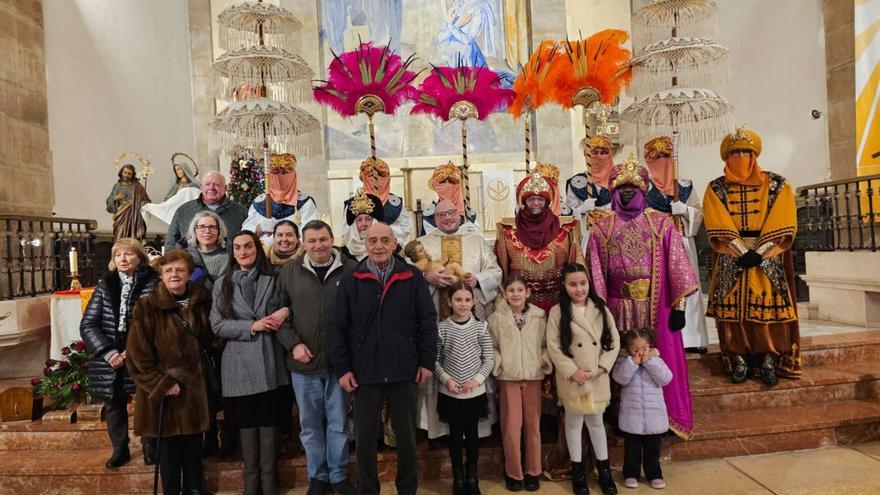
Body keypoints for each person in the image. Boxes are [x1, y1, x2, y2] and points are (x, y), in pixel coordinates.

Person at [588, 158, 698, 438]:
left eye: (633, 187)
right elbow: (595, 271)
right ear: (613, 191)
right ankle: (620, 415)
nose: (627, 191)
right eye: (621, 187)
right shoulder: (602, 228)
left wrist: (679, 307)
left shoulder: (661, 223)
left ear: (643, 190)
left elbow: (678, 264)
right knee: (621, 360)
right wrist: (599, 309)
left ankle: (663, 416)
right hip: (616, 308)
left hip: (655, 305)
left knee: (655, 360)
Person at [330, 222, 438, 495]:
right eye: (373, 241)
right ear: (365, 245)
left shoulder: (411, 276)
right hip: (364, 372)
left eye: (384, 241)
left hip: (404, 369)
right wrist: (343, 368)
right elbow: (338, 327)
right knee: (365, 440)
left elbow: (427, 321)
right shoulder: (352, 279)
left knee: (407, 438)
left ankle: (407, 490)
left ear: (394, 244)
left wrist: (426, 361)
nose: (378, 246)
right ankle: (368, 490)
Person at [703, 126, 801, 385]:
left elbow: (783, 219)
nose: (741, 157)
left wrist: (759, 253)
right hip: (730, 255)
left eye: (746, 152)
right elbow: (717, 220)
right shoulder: (716, 188)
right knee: (730, 311)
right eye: (735, 153)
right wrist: (740, 250)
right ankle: (737, 358)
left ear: (755, 155)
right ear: (726, 157)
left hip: (767, 257)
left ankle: (768, 357)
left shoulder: (778, 184)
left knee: (769, 310)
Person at [268, 220, 358, 495]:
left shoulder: (351, 270)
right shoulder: (290, 272)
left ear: (332, 240)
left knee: (338, 424)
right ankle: (317, 477)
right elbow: (276, 313)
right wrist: (294, 344)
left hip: (339, 365)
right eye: (312, 240)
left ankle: (338, 477)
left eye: (323, 239)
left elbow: (361, 316)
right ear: (302, 243)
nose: (318, 245)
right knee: (309, 426)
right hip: (303, 364)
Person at [412, 197, 502, 442]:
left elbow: (496, 272)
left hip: (472, 325)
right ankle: (439, 429)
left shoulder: (477, 241)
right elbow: (409, 278)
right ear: (434, 218)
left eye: (451, 212)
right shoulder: (422, 244)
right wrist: (428, 279)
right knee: (438, 362)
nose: (448, 218)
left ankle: (477, 429)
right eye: (442, 214)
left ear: (459, 215)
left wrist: (478, 280)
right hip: (435, 319)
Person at [126, 249, 213, 495]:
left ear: (189, 273)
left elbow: (211, 337)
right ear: (161, 275)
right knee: (169, 449)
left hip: (195, 387)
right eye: (168, 270)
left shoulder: (201, 301)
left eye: (180, 270)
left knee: (194, 443)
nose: (174, 274)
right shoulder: (147, 307)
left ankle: (195, 488)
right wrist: (162, 383)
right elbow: (136, 356)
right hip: (167, 390)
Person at [210, 231, 290, 495]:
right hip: (238, 362)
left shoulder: (274, 277)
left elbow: (289, 305)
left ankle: (269, 483)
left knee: (269, 419)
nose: (243, 251)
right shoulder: (223, 283)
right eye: (237, 247)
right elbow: (216, 324)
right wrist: (251, 326)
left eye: (248, 246)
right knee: (246, 421)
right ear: (232, 252)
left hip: (270, 359)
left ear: (257, 249)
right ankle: (251, 483)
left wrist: (284, 311)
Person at [80, 238, 158, 469]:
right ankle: (120, 449)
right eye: (118, 255)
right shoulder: (106, 284)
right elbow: (88, 324)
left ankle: (150, 446)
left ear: (140, 258)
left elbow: (157, 323)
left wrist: (132, 351)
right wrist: (108, 352)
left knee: (147, 399)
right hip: (111, 351)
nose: (123, 259)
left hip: (142, 350)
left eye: (128, 254)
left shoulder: (153, 282)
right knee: (114, 402)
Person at [546, 263, 619, 495]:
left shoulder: (600, 308)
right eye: (573, 284)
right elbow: (553, 346)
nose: (579, 289)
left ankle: (604, 471)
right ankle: (577, 473)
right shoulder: (558, 311)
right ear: (564, 285)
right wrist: (572, 371)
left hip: (596, 377)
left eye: (583, 283)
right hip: (573, 378)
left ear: (589, 283)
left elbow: (614, 340)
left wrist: (602, 367)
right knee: (574, 423)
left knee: (596, 422)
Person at [643, 136, 709, 351]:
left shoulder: (685, 185)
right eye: (657, 157)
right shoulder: (643, 186)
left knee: (688, 286)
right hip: (655, 244)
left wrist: (685, 210)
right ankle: (663, 337)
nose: (662, 161)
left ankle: (692, 338)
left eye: (666, 156)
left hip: (682, 241)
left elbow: (698, 213)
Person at [487, 274, 550, 492]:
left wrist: (543, 360)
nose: (515, 294)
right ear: (505, 293)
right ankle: (514, 472)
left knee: (533, 426)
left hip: (533, 377)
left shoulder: (539, 316)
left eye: (519, 290)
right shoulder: (496, 318)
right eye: (511, 290)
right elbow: (492, 346)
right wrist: (500, 363)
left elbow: (546, 344)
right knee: (511, 427)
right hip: (509, 379)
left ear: (527, 292)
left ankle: (533, 470)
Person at [435, 282, 495, 495]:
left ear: (474, 301)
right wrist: (446, 380)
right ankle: (458, 478)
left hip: (474, 393)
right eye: (458, 300)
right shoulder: (442, 328)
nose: (463, 304)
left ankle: (472, 477)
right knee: (454, 436)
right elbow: (435, 360)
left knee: (472, 436)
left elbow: (489, 358)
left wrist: (477, 380)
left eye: (467, 300)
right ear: (449, 302)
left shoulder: (481, 327)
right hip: (450, 393)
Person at [495, 170, 583, 311]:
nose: (536, 203)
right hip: (520, 307)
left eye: (540, 199)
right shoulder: (508, 233)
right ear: (523, 202)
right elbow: (501, 273)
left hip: (559, 306)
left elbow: (577, 268)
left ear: (547, 202)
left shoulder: (566, 230)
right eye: (531, 199)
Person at [612, 328, 672, 490]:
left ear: (650, 346)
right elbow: (620, 378)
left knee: (653, 449)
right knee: (632, 448)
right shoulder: (624, 361)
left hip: (654, 415)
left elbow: (666, 378)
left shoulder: (656, 360)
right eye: (636, 349)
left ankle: (654, 474)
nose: (640, 353)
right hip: (632, 415)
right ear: (628, 349)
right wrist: (632, 363)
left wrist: (649, 362)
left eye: (644, 348)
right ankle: (631, 474)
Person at [241, 153, 319, 241]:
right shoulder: (259, 203)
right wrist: (259, 228)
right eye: (275, 172)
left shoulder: (305, 203)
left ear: (293, 175)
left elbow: (312, 234)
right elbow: (245, 232)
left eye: (284, 172)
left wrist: (287, 235)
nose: (279, 178)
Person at [165, 171, 248, 251]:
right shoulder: (184, 210)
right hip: (191, 259)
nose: (211, 188)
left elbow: (248, 240)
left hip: (229, 259)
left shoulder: (240, 211)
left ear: (225, 188)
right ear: (201, 187)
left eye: (217, 184)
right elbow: (171, 242)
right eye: (207, 184)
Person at [342, 158, 413, 245]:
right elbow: (347, 231)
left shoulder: (395, 203)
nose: (378, 180)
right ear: (364, 177)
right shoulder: (354, 203)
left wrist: (384, 233)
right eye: (371, 175)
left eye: (382, 175)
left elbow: (405, 227)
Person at [561, 135, 614, 219]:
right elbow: (570, 216)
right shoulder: (576, 182)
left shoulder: (619, 180)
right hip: (586, 226)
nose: (599, 156)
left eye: (603, 152)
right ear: (587, 155)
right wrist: (582, 209)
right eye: (595, 152)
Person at [422, 162, 480, 235]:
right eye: (442, 182)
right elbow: (431, 239)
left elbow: (478, 238)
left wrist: (474, 233)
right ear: (435, 186)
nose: (447, 185)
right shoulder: (430, 216)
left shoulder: (468, 212)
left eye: (452, 181)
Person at [186, 211, 229, 292]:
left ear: (219, 231)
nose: (207, 231)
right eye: (202, 226)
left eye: (212, 227)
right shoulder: (185, 257)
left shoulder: (229, 259)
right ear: (194, 230)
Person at [106, 164, 150, 241]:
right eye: (125, 172)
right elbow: (109, 200)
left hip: (134, 217)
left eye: (129, 174)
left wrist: (141, 203)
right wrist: (116, 198)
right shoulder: (117, 186)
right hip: (121, 215)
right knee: (119, 237)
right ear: (121, 172)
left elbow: (146, 201)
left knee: (133, 240)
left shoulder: (137, 186)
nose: (126, 175)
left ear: (132, 175)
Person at [340, 188, 385, 262]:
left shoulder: (389, 251)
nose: (363, 224)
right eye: (359, 220)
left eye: (368, 219)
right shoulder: (342, 256)